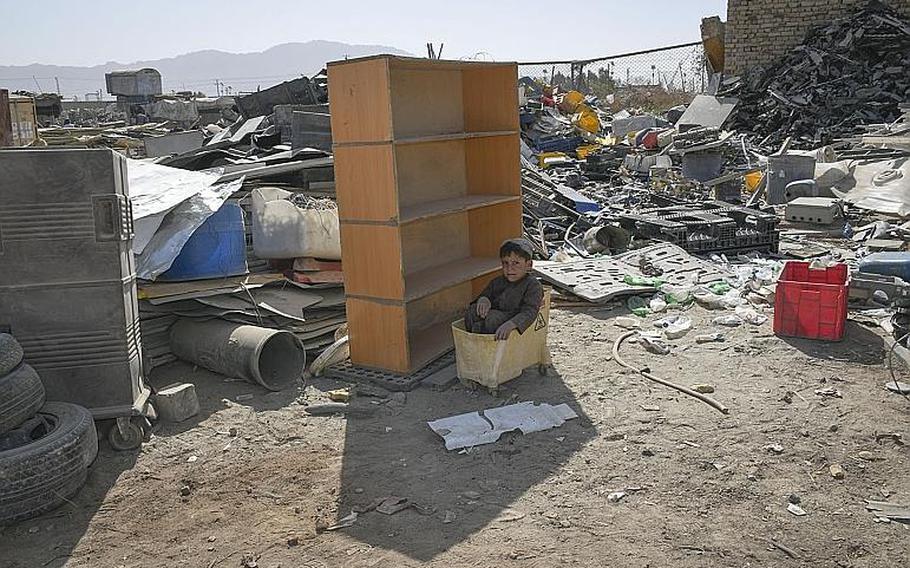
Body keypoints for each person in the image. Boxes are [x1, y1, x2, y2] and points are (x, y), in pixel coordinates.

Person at [465, 238, 544, 340]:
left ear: (528, 265)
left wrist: (511, 324)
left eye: (516, 263)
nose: (509, 268)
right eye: (505, 263)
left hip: (513, 318)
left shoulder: (533, 285)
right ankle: (474, 339)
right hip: (495, 315)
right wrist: (484, 300)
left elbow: (529, 311)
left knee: (492, 319)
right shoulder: (498, 281)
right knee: (472, 311)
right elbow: (486, 294)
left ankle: (483, 337)